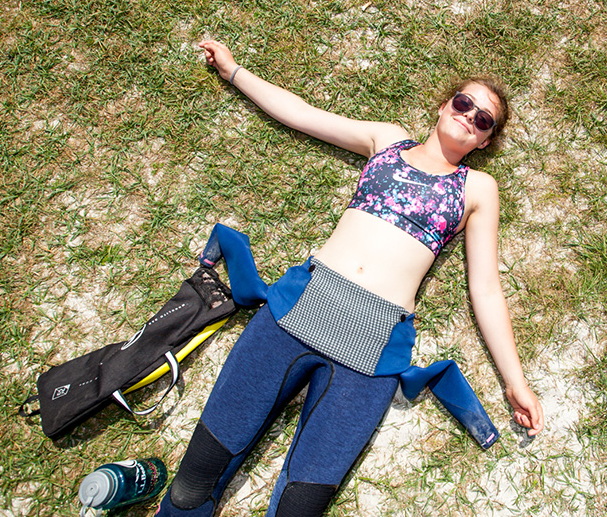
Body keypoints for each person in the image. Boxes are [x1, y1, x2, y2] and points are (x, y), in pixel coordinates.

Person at [154, 40, 544, 517]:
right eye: (464, 103)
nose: (469, 117)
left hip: (372, 347)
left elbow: (485, 287)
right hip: (301, 308)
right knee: (190, 487)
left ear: (483, 141)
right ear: (445, 105)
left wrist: (514, 382)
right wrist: (234, 71)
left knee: (299, 508)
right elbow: (301, 114)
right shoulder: (387, 141)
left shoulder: (478, 188)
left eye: (483, 120)